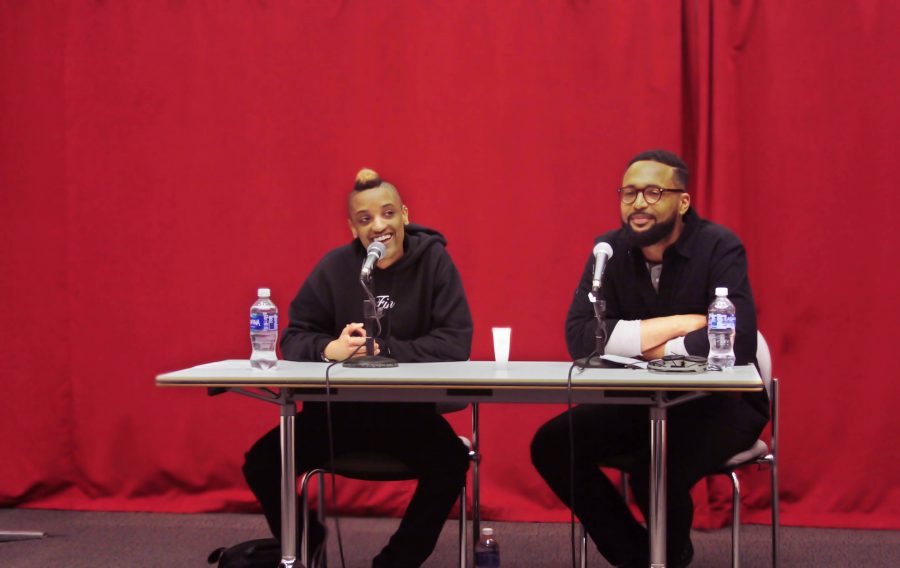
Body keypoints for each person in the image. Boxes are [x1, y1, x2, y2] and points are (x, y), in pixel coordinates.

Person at [530, 149, 770, 568]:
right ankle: (639, 557)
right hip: (641, 401)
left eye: (653, 192)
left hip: (719, 404)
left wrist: (638, 343)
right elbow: (581, 336)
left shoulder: (719, 247)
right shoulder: (608, 250)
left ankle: (669, 557)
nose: (638, 203)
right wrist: (680, 324)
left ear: (682, 201)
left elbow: (740, 343)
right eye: (628, 193)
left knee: (654, 464)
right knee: (552, 445)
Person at [242, 168, 473, 568]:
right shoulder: (334, 267)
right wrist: (329, 348)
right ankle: (307, 540)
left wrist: (383, 347)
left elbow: (456, 341)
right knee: (262, 461)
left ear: (404, 215)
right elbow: (294, 336)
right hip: (336, 416)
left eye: (387, 214)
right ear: (353, 229)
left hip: (407, 415)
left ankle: (395, 562)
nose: (378, 227)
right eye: (365, 220)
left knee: (452, 462)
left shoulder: (435, 263)